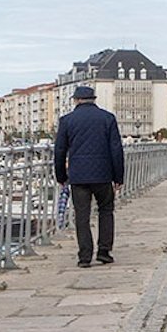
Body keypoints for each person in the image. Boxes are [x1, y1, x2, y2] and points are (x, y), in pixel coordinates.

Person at [54, 86, 124, 268]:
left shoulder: (67, 121)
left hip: (78, 176)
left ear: (76, 100)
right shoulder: (108, 118)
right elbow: (116, 150)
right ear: (94, 99)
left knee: (82, 216)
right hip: (103, 174)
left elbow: (60, 150)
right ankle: (104, 252)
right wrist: (119, 177)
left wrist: (60, 175)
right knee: (106, 211)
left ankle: (85, 256)